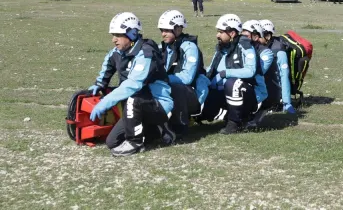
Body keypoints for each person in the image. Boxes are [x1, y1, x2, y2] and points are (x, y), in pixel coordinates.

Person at [87, 12, 175, 157]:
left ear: (132, 34)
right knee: (112, 142)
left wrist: (105, 102)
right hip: (135, 107)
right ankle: (158, 130)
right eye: (112, 35)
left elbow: (133, 84)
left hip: (157, 104)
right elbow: (107, 68)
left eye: (118, 35)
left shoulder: (146, 53)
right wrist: (99, 84)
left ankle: (135, 142)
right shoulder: (117, 52)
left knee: (133, 97)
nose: (114, 40)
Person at [198, 14, 260, 134]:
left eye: (221, 32)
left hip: (248, 94)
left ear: (232, 33)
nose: (217, 35)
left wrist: (226, 73)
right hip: (224, 93)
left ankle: (234, 123)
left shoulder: (245, 46)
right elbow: (210, 71)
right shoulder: (221, 49)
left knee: (233, 83)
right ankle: (224, 115)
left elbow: (250, 71)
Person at [157, 10, 208, 139]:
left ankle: (180, 127)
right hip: (171, 88)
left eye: (167, 30)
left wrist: (163, 79)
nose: (163, 34)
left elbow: (187, 77)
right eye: (162, 30)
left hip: (193, 92)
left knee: (176, 89)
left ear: (178, 29)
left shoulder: (189, 47)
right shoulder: (163, 48)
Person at [240, 20, 279, 129]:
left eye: (245, 35)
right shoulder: (242, 49)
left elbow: (253, 73)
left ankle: (257, 114)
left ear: (256, 37)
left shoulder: (265, 53)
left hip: (267, 91)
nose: (242, 38)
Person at [259, 19, 295, 114]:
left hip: (273, 89)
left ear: (267, 36)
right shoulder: (258, 47)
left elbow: (284, 76)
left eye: (259, 35)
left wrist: (287, 102)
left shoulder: (279, 52)